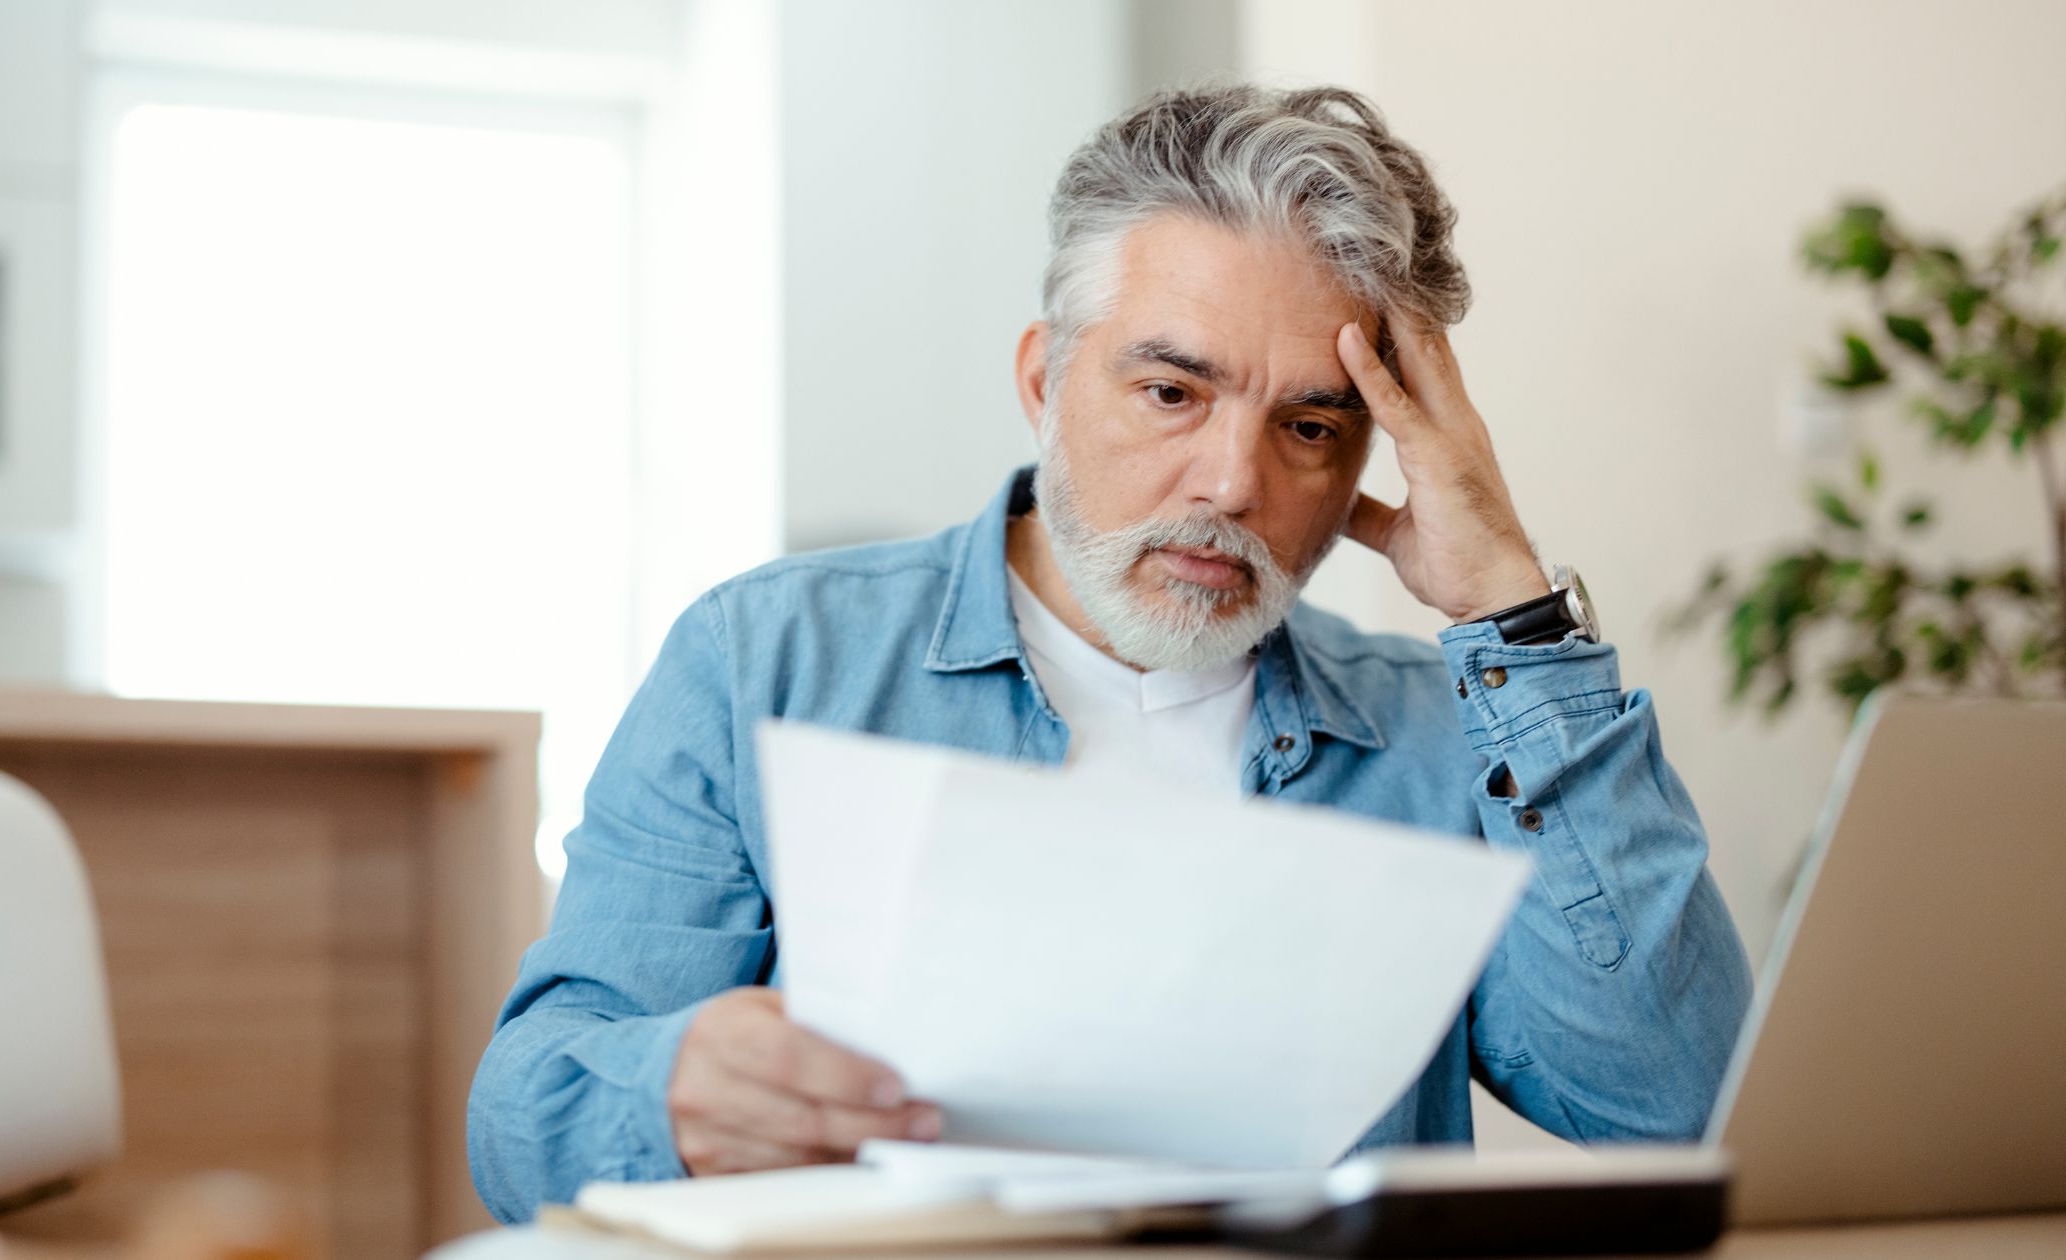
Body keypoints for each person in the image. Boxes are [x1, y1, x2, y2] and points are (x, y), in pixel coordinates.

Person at [466, 84, 1752, 1224]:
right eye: (1169, 393)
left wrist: (1513, 621)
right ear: (1043, 380)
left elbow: (1671, 1111)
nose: (1233, 481)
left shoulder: (1435, 734)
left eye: (1309, 425)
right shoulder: (767, 656)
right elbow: (521, 1124)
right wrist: (673, 1090)